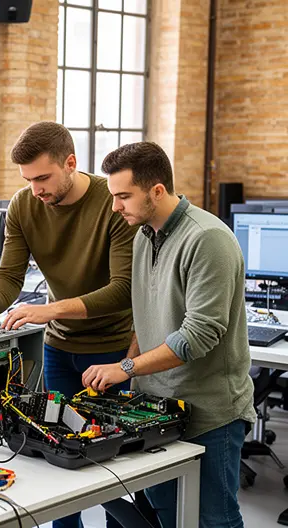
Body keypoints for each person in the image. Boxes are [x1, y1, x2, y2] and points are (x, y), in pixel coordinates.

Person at [0, 122, 138, 528]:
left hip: (114, 351)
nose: (35, 189)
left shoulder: (109, 202)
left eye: (43, 177)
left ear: (71, 163)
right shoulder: (25, 205)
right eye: (27, 180)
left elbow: (123, 290)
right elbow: (9, 274)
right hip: (60, 351)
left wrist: (50, 311)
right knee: (59, 463)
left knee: (120, 469)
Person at [82, 141, 255, 528]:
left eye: (123, 196)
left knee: (214, 520)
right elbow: (147, 318)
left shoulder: (208, 239)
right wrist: (132, 370)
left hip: (210, 415)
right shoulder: (144, 235)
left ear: (156, 191)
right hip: (157, 409)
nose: (115, 207)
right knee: (163, 514)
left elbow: (198, 334)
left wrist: (125, 367)